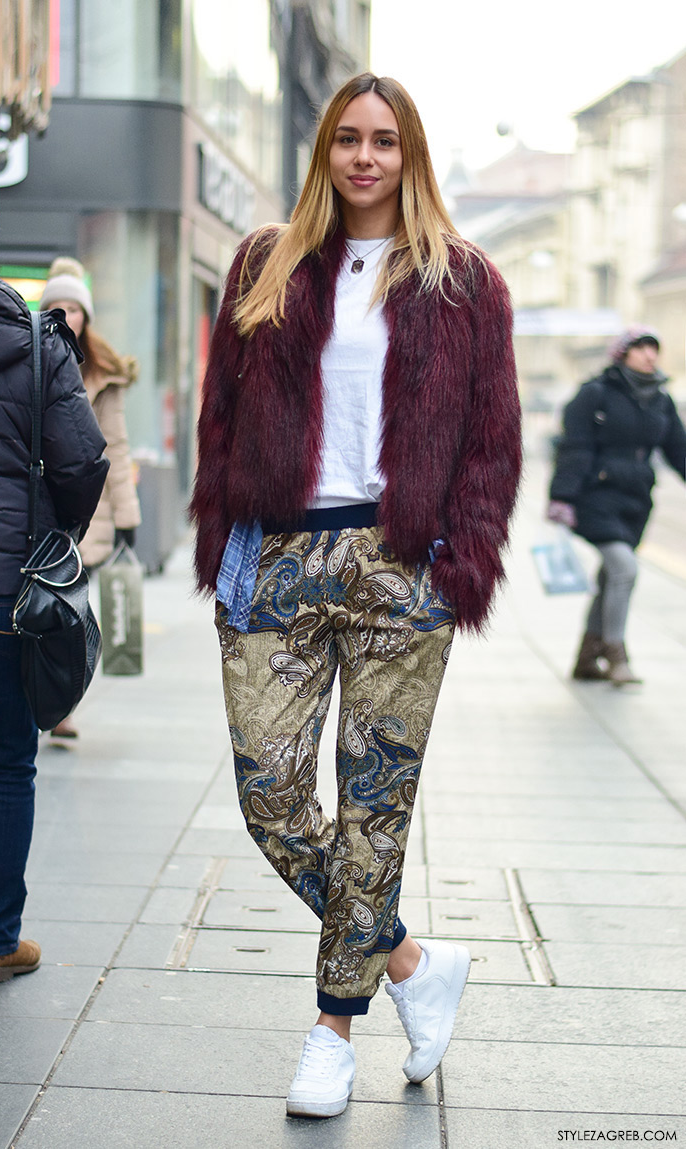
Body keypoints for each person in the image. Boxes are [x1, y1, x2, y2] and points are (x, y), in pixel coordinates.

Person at [191, 73, 522, 1119]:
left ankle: (331, 1034)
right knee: (271, 798)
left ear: (409, 153)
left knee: (374, 810)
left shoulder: (462, 280)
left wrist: (455, 563)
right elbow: (219, 420)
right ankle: (414, 961)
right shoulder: (264, 261)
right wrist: (224, 549)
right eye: (347, 139)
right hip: (281, 553)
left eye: (383, 140)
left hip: (398, 563)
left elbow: (492, 441)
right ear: (324, 151)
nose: (365, 158)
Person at [0, 204, 109, 982]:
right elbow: (82, 459)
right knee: (4, 762)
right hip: (4, 594)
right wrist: (50, 530)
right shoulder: (37, 343)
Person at [548, 326, 686, 685]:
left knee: (611, 576)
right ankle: (616, 653)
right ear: (623, 354)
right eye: (641, 349)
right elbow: (574, 447)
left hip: (637, 499)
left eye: (654, 349)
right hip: (597, 495)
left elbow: (678, 449)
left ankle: (586, 659)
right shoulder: (595, 393)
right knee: (624, 569)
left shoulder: (661, 399)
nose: (649, 355)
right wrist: (562, 497)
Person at [39, 257, 141, 736]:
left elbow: (116, 448)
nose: (65, 315)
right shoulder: (31, 355)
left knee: (71, 614)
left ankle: (61, 706)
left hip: (91, 512)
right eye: (55, 306)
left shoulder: (103, 372)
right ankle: (54, 707)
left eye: (73, 308)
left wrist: (127, 515)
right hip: (44, 510)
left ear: (86, 316)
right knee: (44, 607)